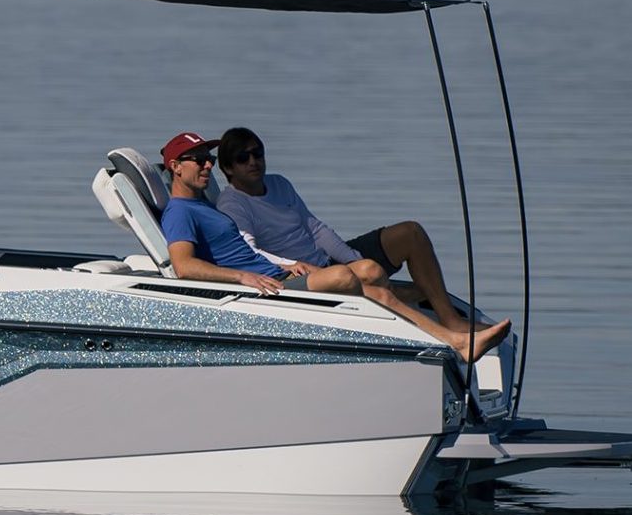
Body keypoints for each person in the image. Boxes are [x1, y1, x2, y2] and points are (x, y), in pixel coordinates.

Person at [157, 132, 507, 361]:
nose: (207, 165)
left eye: (209, 160)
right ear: (175, 167)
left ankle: (451, 335)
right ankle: (452, 340)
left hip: (278, 274)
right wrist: (243, 277)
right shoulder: (180, 212)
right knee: (351, 278)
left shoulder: (203, 205)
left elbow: (312, 227)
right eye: (199, 160)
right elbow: (184, 267)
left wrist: (279, 267)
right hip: (270, 284)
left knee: (367, 279)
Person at [212, 127, 484, 334]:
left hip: (326, 261)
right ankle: (411, 313)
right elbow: (248, 250)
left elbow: (315, 228)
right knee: (372, 272)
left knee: (410, 234)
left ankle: (449, 319)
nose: (253, 162)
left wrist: (353, 259)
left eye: (257, 154)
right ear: (227, 168)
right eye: (242, 158)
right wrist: (292, 264)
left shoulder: (279, 183)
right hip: (296, 276)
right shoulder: (232, 202)